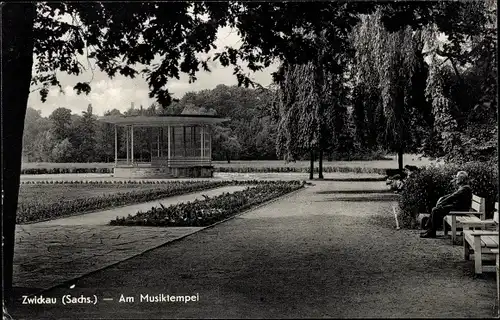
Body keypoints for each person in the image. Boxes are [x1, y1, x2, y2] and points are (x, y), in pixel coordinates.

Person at [420, 171, 473, 238]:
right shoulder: (463, 187)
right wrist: (442, 198)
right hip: (457, 208)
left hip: (460, 210)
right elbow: (452, 195)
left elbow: (453, 196)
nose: (456, 179)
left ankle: (431, 231)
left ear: (462, 179)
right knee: (435, 209)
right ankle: (429, 230)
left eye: (457, 178)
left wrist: (442, 202)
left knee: (435, 210)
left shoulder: (465, 188)